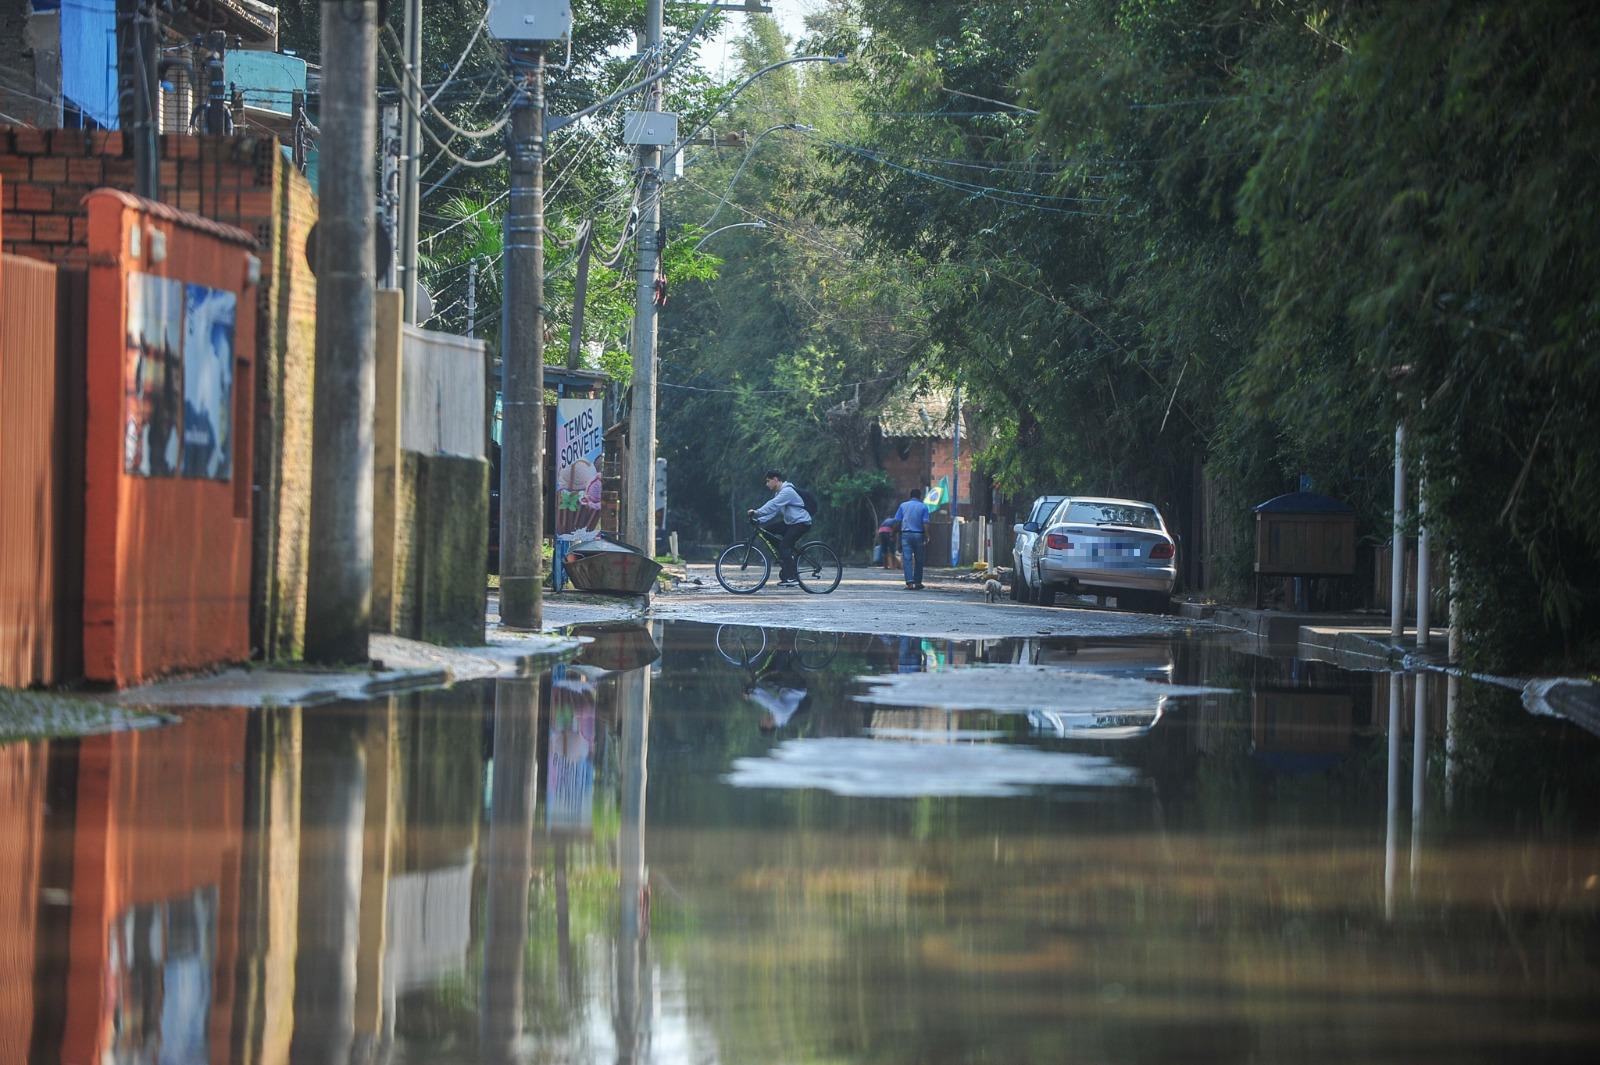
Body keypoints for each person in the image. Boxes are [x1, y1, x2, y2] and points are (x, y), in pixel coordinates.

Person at [748, 468, 812, 587]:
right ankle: (786, 557)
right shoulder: (779, 493)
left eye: (768, 481)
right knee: (767, 531)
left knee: (784, 545)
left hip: (801, 523)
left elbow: (772, 505)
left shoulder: (787, 491)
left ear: (776, 479)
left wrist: (757, 512)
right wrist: (759, 520)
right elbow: (774, 511)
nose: (767, 484)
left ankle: (793, 577)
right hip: (791, 523)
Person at [891, 487, 930, 589]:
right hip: (918, 534)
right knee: (919, 559)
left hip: (906, 535)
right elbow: (925, 523)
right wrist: (927, 535)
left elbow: (897, 521)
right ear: (920, 496)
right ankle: (917, 582)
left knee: (907, 559)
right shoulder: (924, 507)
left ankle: (909, 583)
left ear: (910, 496)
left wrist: (893, 532)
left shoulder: (903, 505)